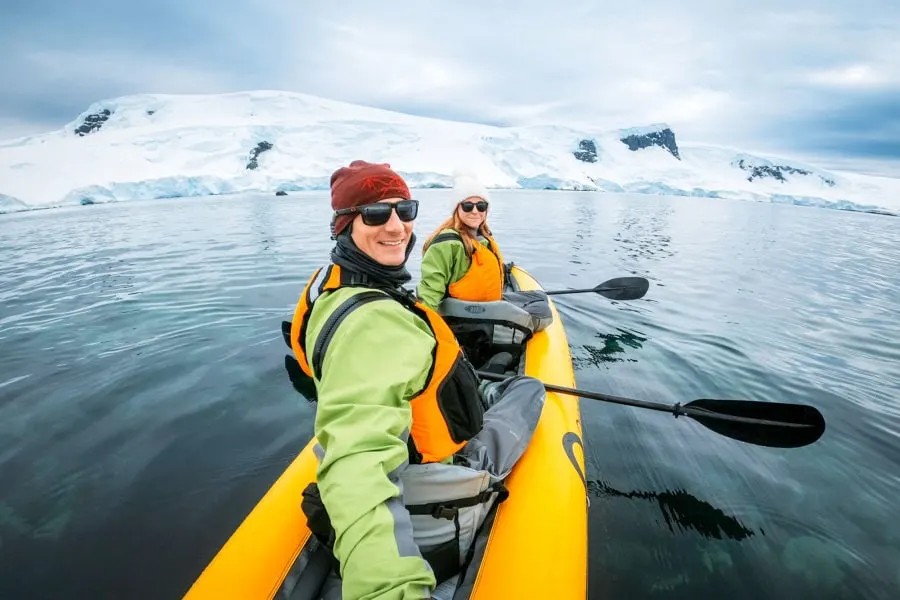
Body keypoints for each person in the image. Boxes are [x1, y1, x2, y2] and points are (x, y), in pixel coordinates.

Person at [287, 160, 544, 600]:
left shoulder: (330, 284)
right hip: (436, 473)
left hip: (414, 429)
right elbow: (358, 465)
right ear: (344, 224)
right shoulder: (374, 324)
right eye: (374, 214)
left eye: (404, 210)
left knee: (482, 385)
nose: (395, 226)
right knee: (528, 389)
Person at [417, 173, 505, 310]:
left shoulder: (484, 239)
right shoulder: (447, 244)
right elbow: (430, 290)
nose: (475, 211)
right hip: (462, 322)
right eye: (467, 206)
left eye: (481, 206)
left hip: (488, 315)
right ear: (457, 209)